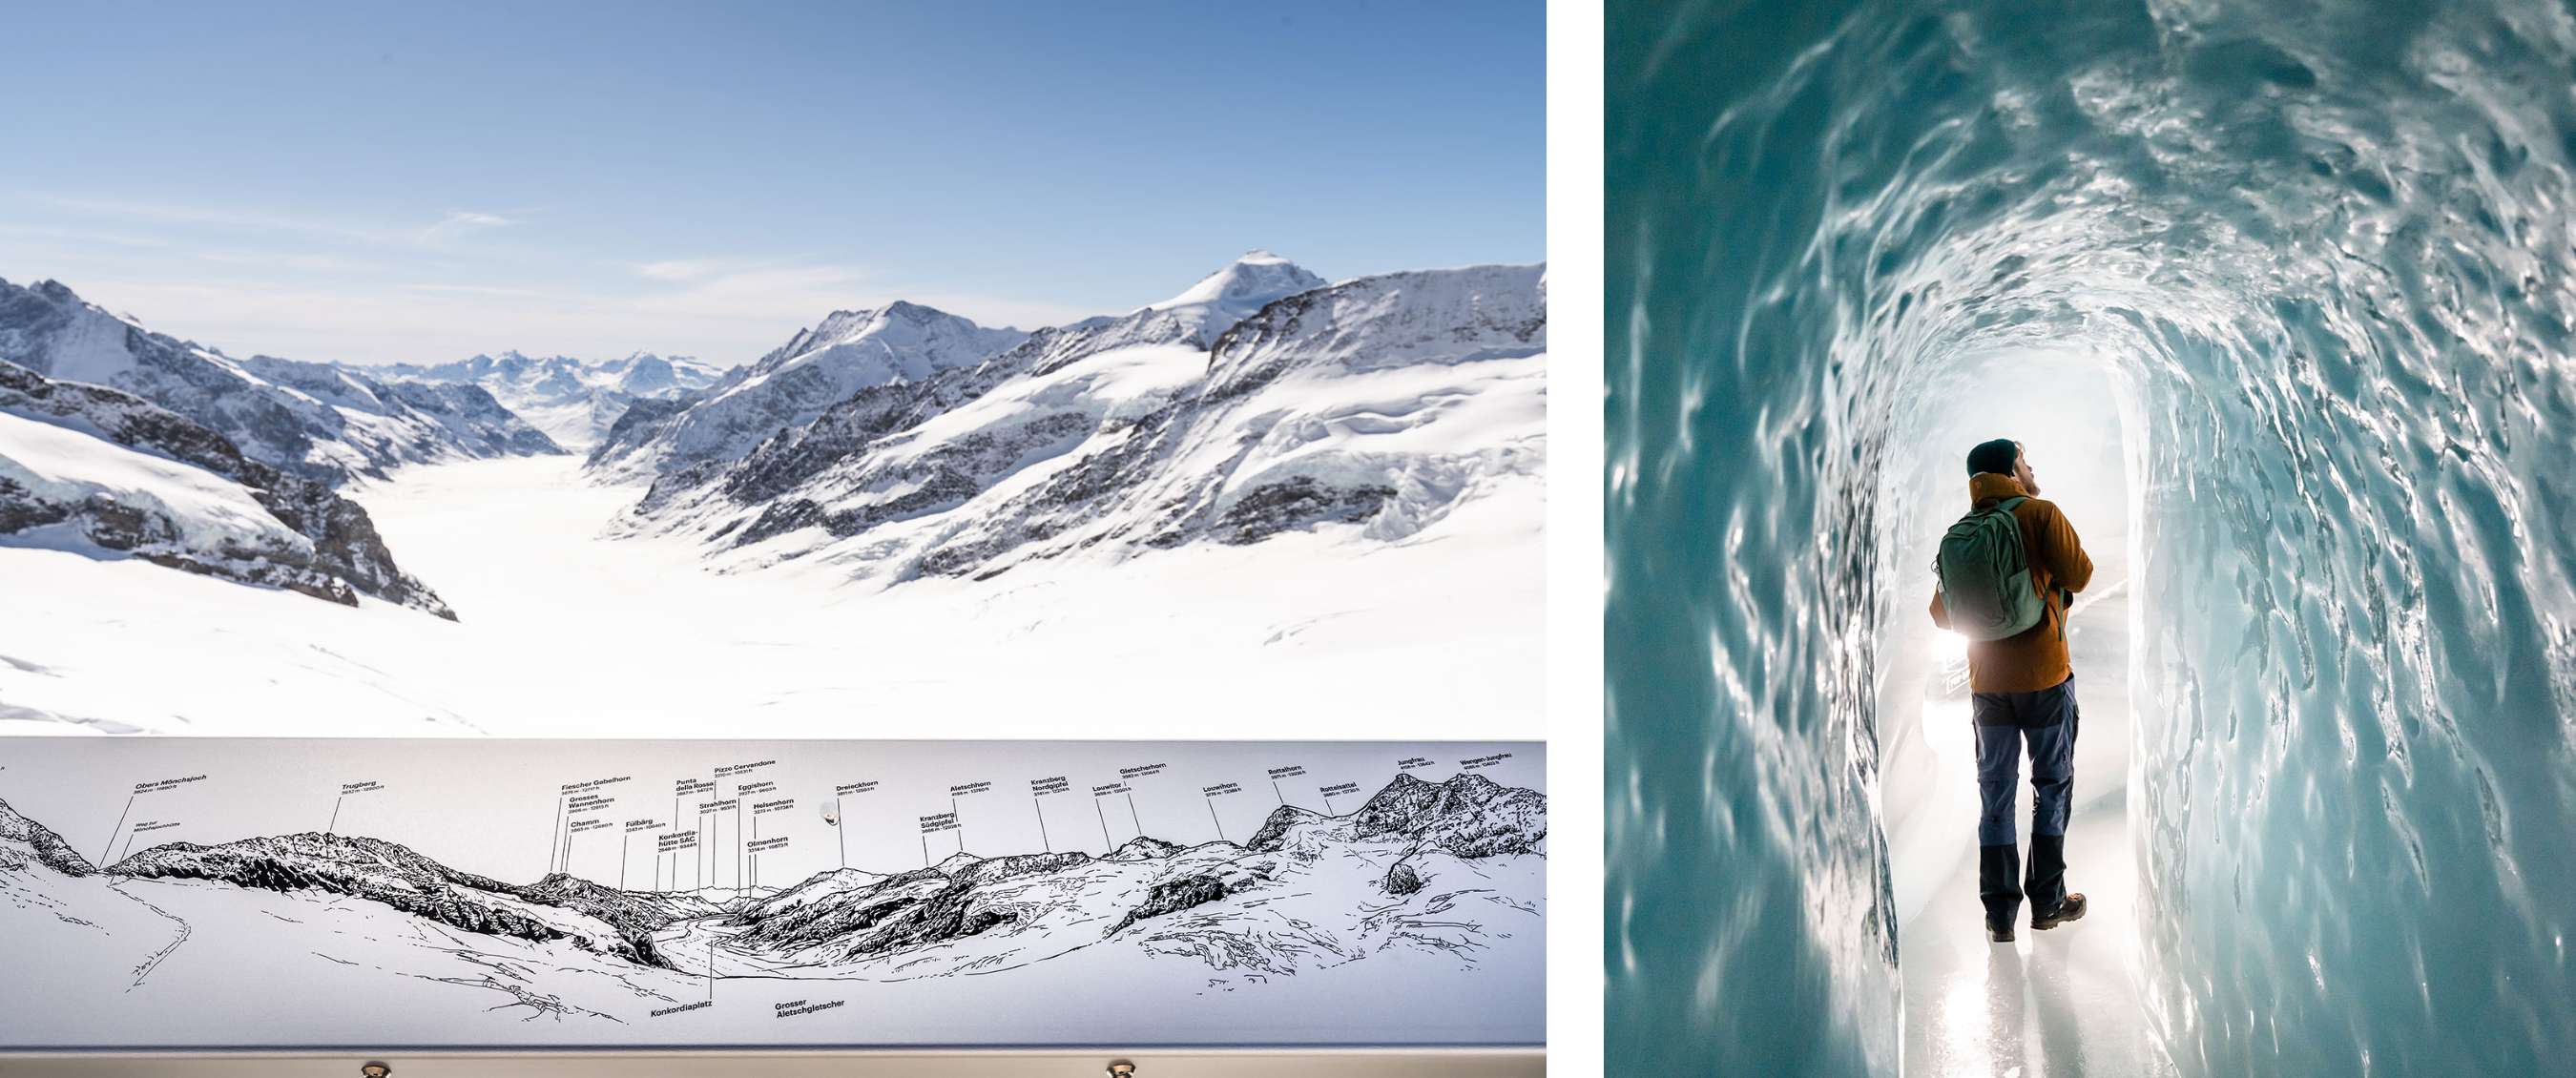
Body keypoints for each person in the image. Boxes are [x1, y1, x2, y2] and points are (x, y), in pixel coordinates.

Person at [1930, 438, 2094, 943]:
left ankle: (1998, 916)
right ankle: (2047, 902)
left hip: (1987, 686)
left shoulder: (1959, 536)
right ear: (2012, 472)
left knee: (1995, 792)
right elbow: (2082, 574)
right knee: (2051, 786)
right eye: (2025, 460)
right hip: (2045, 679)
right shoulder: (2040, 515)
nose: (2032, 467)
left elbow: (1941, 614)